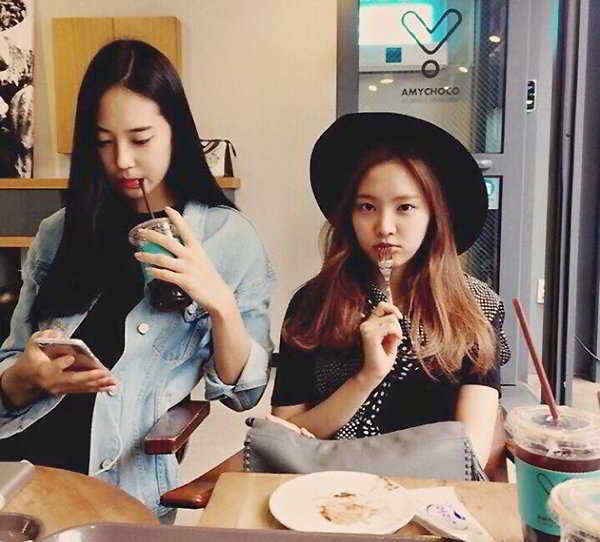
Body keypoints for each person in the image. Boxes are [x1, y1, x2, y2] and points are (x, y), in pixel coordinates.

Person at [0, 40, 275, 521]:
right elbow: (12, 363)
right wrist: (28, 375)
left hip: (117, 486)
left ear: (176, 133)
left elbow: (243, 393)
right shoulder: (59, 233)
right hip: (20, 472)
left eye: (141, 139)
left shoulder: (226, 237)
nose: (122, 160)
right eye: (104, 142)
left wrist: (220, 305)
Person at [271, 113, 510, 470]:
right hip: (328, 486)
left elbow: (470, 448)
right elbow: (286, 435)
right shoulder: (313, 303)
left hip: (432, 488)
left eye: (405, 207)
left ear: (434, 215)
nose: (384, 226)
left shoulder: (475, 305)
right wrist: (367, 376)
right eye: (367, 207)